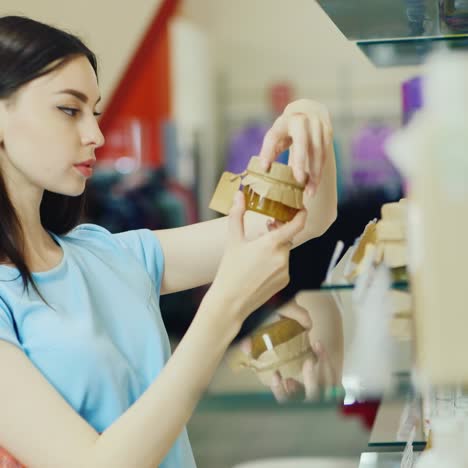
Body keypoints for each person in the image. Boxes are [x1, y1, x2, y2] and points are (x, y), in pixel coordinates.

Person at [0, 16, 337, 468]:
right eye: (69, 109)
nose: (95, 135)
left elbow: (308, 219)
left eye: (94, 112)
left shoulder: (107, 253)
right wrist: (224, 308)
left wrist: (310, 122)